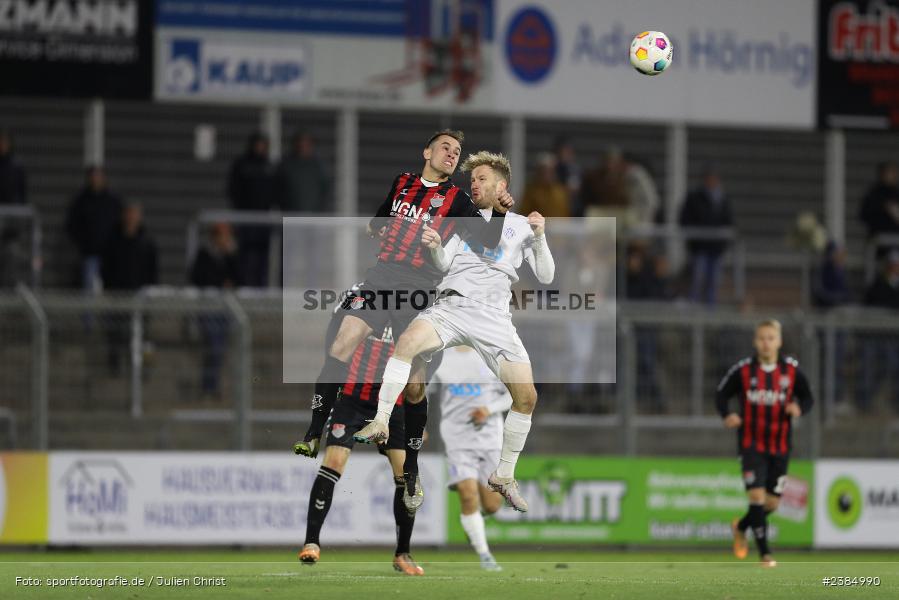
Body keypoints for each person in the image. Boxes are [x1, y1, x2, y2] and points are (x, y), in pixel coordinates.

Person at [296, 129, 512, 512]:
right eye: (446, 147)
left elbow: (490, 242)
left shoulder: (458, 200)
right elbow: (379, 219)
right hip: (381, 280)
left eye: (457, 151)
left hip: (420, 292)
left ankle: (410, 468)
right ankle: (314, 431)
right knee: (342, 343)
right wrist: (377, 225)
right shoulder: (403, 183)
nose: (451, 153)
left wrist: (499, 210)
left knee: (414, 388)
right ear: (427, 151)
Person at [355, 151, 555, 513]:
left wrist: (540, 238)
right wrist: (434, 248)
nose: (473, 185)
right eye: (471, 180)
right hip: (454, 306)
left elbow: (546, 277)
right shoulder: (460, 218)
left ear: (501, 185)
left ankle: (504, 475)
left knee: (526, 398)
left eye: (480, 179)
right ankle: (381, 420)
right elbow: (445, 263)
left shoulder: (524, 225)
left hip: (495, 318)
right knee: (406, 344)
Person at [295, 290, 425, 576]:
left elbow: (420, 367)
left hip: (393, 405)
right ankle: (311, 542)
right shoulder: (359, 298)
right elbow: (334, 344)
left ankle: (402, 554)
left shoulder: (415, 306)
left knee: (406, 478)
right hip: (353, 400)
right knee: (334, 462)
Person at [715, 319, 814, 567]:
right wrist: (727, 414)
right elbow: (721, 394)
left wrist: (799, 407)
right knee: (756, 496)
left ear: (779, 341)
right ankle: (765, 554)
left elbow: (808, 396)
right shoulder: (744, 370)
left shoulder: (791, 371)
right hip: (751, 444)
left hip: (780, 446)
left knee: (771, 503)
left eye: (771, 338)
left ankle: (742, 526)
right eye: (762, 338)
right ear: (755, 341)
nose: (766, 343)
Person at [431, 345, 508, 571]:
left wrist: (489, 409)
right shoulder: (440, 357)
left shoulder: (490, 355)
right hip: (457, 439)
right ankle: (485, 555)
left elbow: (514, 395)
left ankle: (474, 520)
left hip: (490, 441)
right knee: (467, 495)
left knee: (493, 505)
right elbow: (421, 393)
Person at [101, 203, 159, 375]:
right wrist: (109, 288)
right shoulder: (113, 240)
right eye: (128, 214)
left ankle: (145, 369)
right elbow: (106, 267)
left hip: (141, 295)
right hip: (117, 294)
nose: (131, 218)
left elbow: (153, 270)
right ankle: (115, 367)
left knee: (145, 336)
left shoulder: (147, 242)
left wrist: (150, 292)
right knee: (115, 332)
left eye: (134, 214)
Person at [190, 222, 240, 399]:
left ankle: (212, 386)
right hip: (209, 307)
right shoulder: (204, 255)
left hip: (225, 309)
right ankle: (209, 386)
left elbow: (239, 278)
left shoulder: (230, 256)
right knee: (213, 347)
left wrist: (231, 256)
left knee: (219, 348)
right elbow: (198, 278)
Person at [679, 166, 733, 306]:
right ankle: (694, 309)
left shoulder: (722, 198)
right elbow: (685, 218)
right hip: (700, 248)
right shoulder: (695, 197)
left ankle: (711, 311)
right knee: (697, 280)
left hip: (716, 249)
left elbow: (728, 220)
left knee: (713, 282)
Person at [228, 132, 276, 287]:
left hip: (263, 219)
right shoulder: (241, 164)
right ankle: (243, 285)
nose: (260, 148)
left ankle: (260, 287)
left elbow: (276, 191)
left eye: (263, 145)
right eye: (257, 144)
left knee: (262, 256)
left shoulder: (269, 166)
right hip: (245, 218)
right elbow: (233, 189)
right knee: (244, 255)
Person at [65, 166, 123, 292]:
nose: (96, 180)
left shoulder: (113, 201)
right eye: (93, 177)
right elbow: (72, 226)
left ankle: (110, 312)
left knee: (112, 288)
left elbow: (121, 225)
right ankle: (88, 312)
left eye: (98, 176)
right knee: (88, 288)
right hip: (89, 254)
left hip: (111, 255)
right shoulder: (81, 201)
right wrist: (84, 243)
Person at [858, 251, 899, 413]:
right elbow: (870, 305)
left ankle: (895, 402)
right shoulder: (877, 284)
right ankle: (865, 400)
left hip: (893, 336)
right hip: (875, 334)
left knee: (891, 365)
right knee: (871, 364)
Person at [0, 129, 28, 286]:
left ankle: (8, 293)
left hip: (11, 221)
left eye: (4, 142)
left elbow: (23, 194)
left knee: (11, 254)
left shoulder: (16, 167)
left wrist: (18, 218)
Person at [859, 162, 899, 256]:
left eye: (893, 172)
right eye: (888, 173)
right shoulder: (873, 194)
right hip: (878, 240)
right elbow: (863, 215)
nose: (891, 176)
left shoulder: (897, 194)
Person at [520, 153, 569, 218]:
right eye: (544, 171)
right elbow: (523, 214)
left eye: (550, 171)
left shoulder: (560, 192)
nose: (547, 175)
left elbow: (566, 214)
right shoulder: (531, 192)